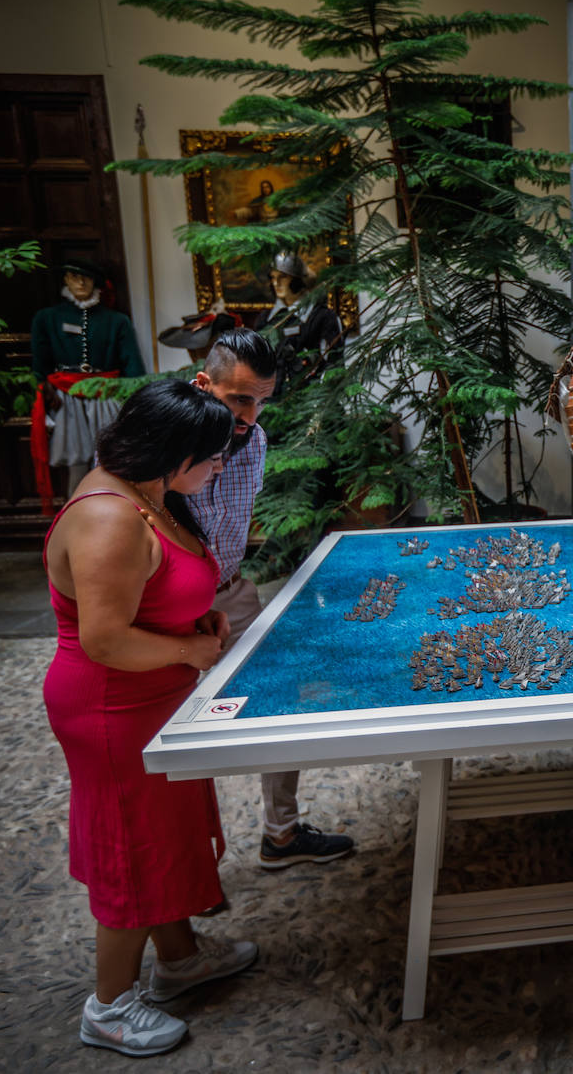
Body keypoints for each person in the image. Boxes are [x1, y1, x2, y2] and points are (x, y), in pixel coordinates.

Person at [42, 379, 257, 1057]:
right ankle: (107, 1006)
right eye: (212, 455)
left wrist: (198, 621)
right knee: (131, 846)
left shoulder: (150, 494)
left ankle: (180, 957)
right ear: (169, 452)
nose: (221, 466)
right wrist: (188, 648)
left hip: (154, 693)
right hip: (112, 704)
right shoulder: (109, 517)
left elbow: (157, 593)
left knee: (167, 832)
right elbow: (105, 637)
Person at [184, 328, 355, 869]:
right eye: (239, 399)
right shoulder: (164, 439)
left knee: (284, 695)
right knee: (174, 736)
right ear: (202, 384)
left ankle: (280, 834)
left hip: (227, 590)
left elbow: (228, 526)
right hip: (165, 604)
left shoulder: (253, 440)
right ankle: (189, 868)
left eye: (261, 401)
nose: (251, 415)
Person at [30, 259, 145, 510]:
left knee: (113, 461)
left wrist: (134, 405)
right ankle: (77, 518)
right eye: (74, 276)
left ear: (96, 282)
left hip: (107, 398)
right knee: (76, 466)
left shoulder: (116, 321)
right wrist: (44, 394)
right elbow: (39, 366)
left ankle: (117, 514)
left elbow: (134, 369)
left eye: (86, 277)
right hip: (66, 398)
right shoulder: (47, 319)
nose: (80, 283)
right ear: (65, 280)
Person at [253, 251, 343, 395]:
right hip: (273, 404)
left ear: (296, 279)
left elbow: (334, 365)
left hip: (310, 401)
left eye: (283, 277)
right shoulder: (265, 319)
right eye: (273, 277)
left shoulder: (322, 317)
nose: (276, 283)